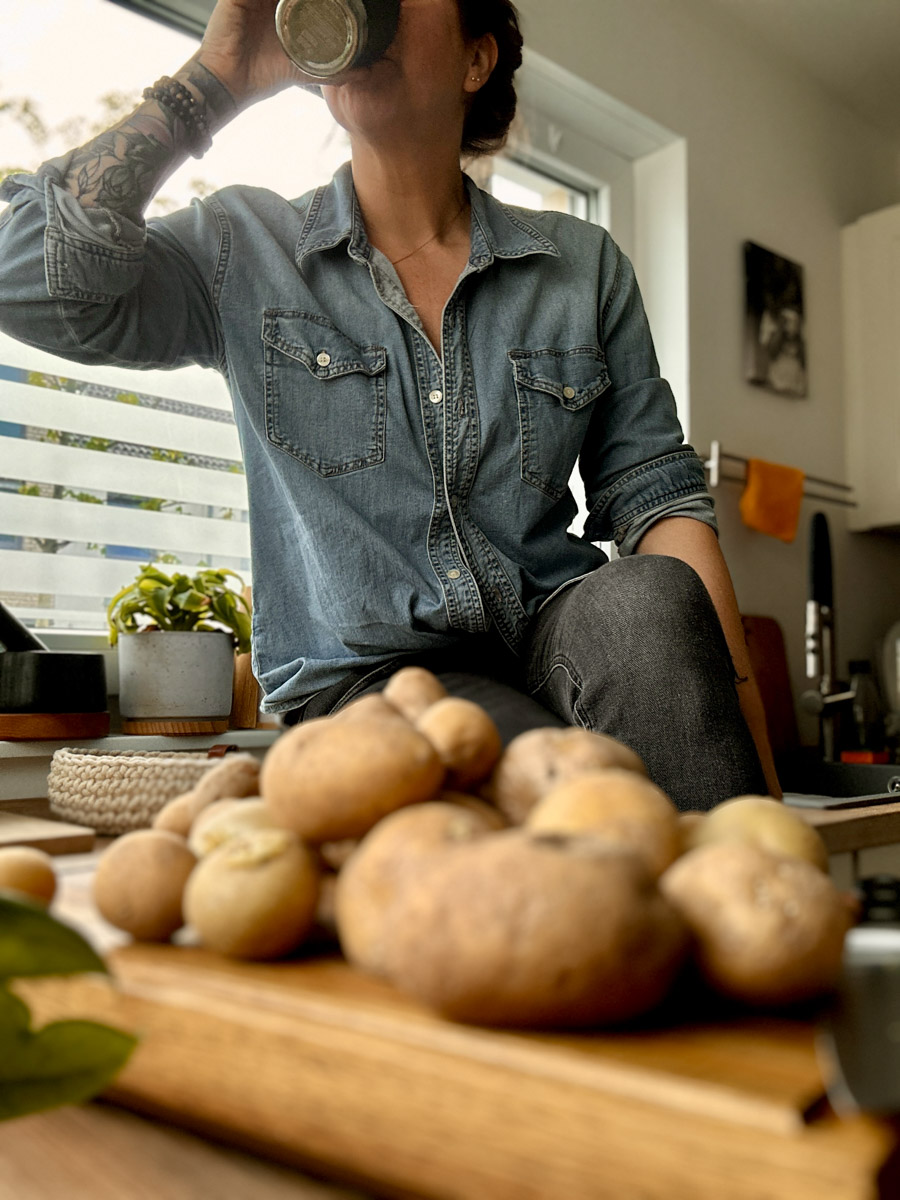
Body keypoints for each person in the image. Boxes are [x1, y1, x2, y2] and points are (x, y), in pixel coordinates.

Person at [0, 0, 780, 808]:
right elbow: (25, 280)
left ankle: (742, 889)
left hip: (557, 644)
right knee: (533, 774)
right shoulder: (243, 248)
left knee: (645, 597)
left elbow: (663, 507)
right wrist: (218, 79)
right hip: (364, 690)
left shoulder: (581, 268)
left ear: (476, 61)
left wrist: (757, 778)